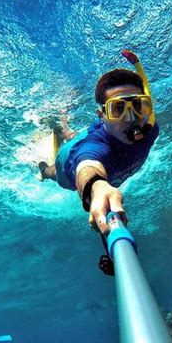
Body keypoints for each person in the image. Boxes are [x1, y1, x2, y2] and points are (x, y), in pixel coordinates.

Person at [37, 50, 159, 238]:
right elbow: (88, 166)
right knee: (52, 172)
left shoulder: (151, 129)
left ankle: (65, 131)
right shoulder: (93, 149)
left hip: (93, 136)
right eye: (118, 109)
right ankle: (43, 170)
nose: (131, 118)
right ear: (102, 116)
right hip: (68, 162)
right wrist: (96, 185)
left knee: (76, 135)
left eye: (137, 106)